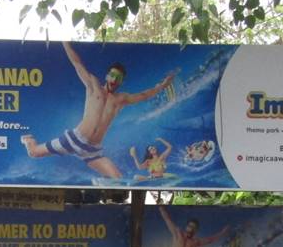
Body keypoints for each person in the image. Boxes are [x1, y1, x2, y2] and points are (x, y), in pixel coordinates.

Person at [21, 41, 176, 179]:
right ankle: (29, 140)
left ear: (121, 82)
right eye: (113, 75)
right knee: (34, 153)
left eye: (119, 78)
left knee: (118, 178)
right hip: (74, 140)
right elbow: (77, 63)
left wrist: (162, 85)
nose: (114, 80)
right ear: (107, 75)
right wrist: (64, 42)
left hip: (92, 151)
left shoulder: (120, 99)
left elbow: (144, 95)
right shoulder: (93, 86)